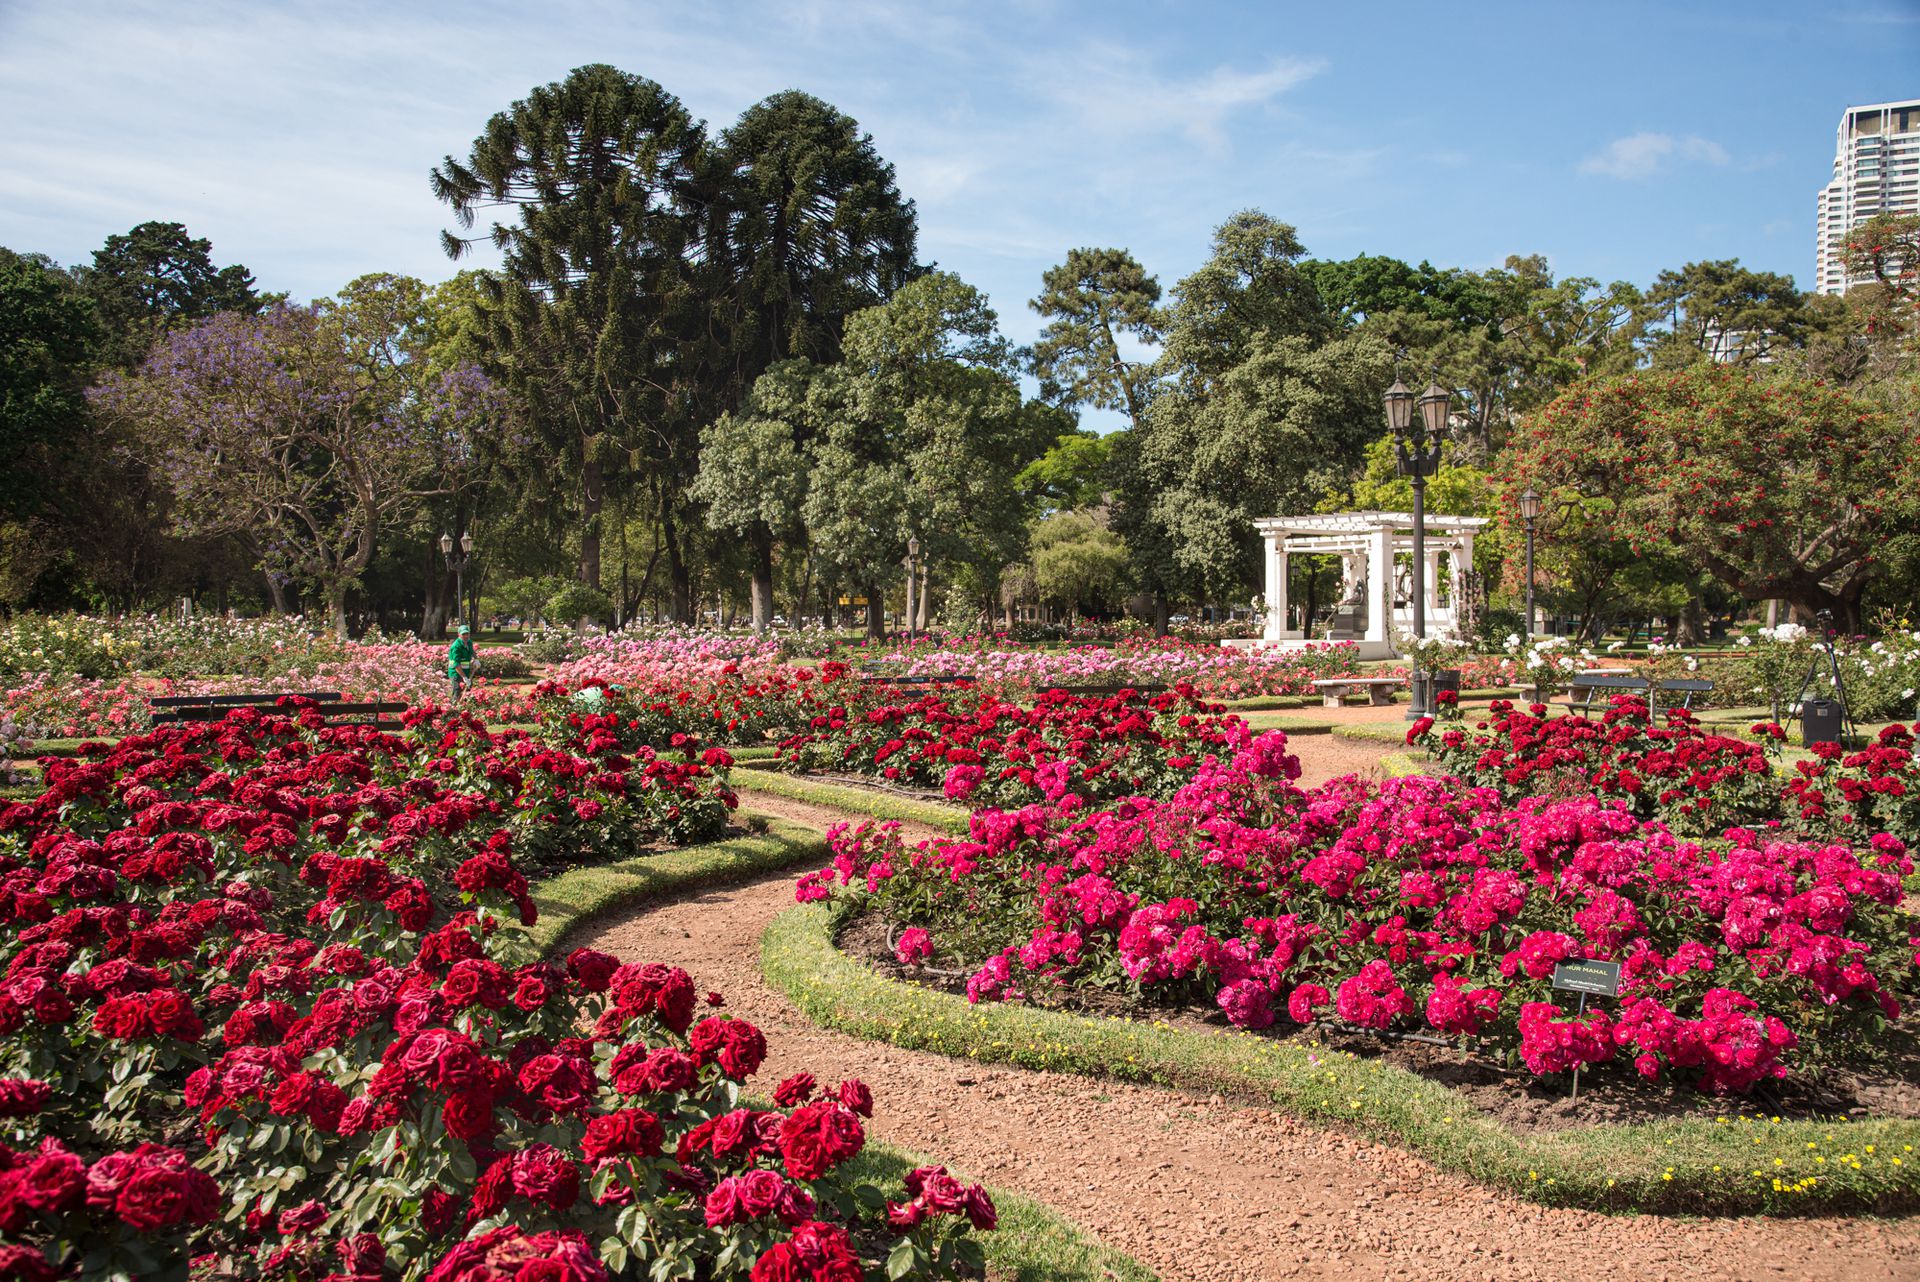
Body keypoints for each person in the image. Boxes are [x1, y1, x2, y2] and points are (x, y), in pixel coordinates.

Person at [447, 624, 476, 702]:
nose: (466, 636)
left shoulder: (469, 642)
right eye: (463, 634)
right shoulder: (456, 647)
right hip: (456, 672)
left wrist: (476, 659)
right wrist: (464, 677)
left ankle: (465, 708)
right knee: (457, 690)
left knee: (468, 691)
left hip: (466, 670)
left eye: (467, 634)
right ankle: (453, 708)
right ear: (459, 634)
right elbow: (456, 665)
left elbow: (472, 650)